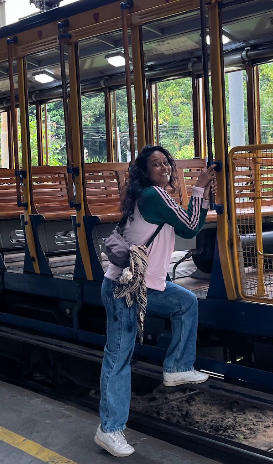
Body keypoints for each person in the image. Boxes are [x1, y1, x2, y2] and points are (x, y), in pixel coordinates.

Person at [94, 145, 217, 457]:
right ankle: (108, 430)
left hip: (147, 285)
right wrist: (200, 188)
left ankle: (176, 367)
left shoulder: (151, 196)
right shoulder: (153, 196)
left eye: (166, 163)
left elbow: (189, 222)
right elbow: (191, 226)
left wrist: (201, 194)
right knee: (118, 358)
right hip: (124, 289)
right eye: (156, 164)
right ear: (145, 172)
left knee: (186, 303)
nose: (164, 168)